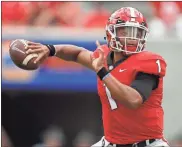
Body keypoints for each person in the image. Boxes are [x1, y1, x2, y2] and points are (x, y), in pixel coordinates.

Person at [25, 7, 170, 147]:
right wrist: (50, 49)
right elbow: (77, 54)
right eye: (125, 31)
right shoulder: (104, 55)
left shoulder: (150, 61)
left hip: (146, 143)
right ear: (110, 33)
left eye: (136, 33)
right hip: (111, 142)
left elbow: (133, 100)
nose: (131, 38)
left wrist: (103, 72)